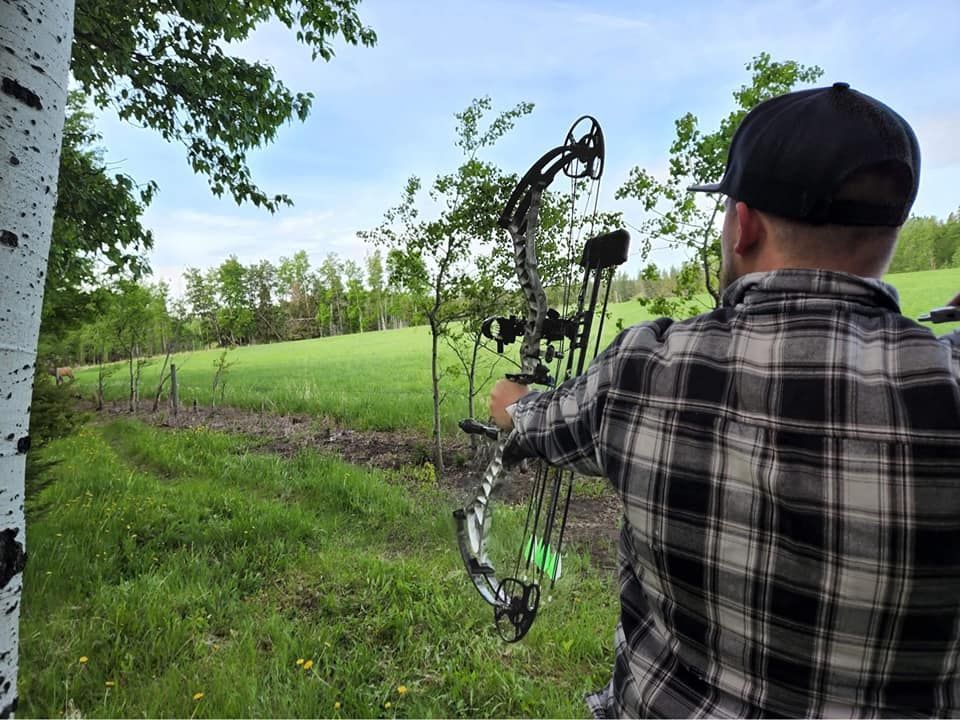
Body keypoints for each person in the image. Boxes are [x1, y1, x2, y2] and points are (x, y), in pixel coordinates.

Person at [489, 83, 960, 718]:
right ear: (891, 231)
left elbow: (531, 421)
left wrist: (512, 399)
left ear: (743, 226)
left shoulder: (643, 368)